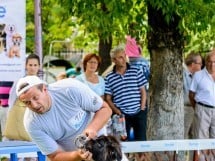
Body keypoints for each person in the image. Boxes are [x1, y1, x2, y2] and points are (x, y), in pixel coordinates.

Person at [15, 75, 112, 161]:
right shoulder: (31, 123)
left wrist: (92, 128)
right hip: (70, 156)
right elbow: (54, 156)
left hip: (99, 141)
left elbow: (105, 109)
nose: (34, 105)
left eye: (35, 97)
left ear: (44, 89)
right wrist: (77, 155)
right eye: (27, 103)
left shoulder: (70, 88)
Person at [104, 44, 148, 141]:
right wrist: (117, 111)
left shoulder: (136, 71)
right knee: (122, 143)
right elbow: (108, 98)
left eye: (124, 56)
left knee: (142, 141)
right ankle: (126, 157)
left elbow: (143, 91)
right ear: (114, 60)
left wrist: (142, 108)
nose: (123, 59)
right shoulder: (109, 77)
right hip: (121, 114)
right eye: (119, 57)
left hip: (139, 112)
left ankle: (142, 157)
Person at [3, 54, 41, 141]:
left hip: (36, 117)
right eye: (30, 65)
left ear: (39, 66)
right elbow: (12, 99)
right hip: (20, 115)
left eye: (35, 65)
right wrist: (11, 114)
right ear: (26, 65)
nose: (32, 68)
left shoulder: (41, 82)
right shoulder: (20, 81)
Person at [189, 49, 215, 161]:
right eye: (209, 61)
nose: (212, 64)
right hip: (202, 109)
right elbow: (191, 95)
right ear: (206, 61)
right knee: (200, 142)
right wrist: (198, 109)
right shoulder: (198, 75)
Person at [183, 52, 202, 139]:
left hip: (192, 108)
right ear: (193, 64)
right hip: (185, 109)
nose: (201, 66)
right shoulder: (183, 73)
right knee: (183, 136)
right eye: (200, 63)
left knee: (194, 136)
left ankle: (194, 153)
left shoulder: (194, 75)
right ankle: (181, 153)